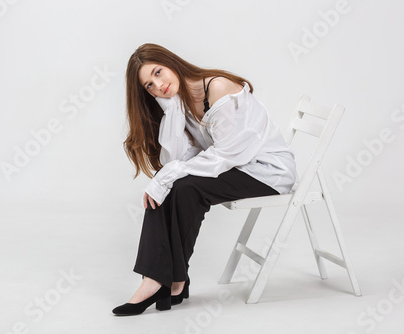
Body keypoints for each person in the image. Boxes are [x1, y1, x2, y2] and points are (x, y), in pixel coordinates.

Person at [113, 43, 297, 316]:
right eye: (149, 85)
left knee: (184, 186)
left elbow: (225, 155)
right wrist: (172, 109)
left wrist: (165, 178)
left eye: (159, 72)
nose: (159, 85)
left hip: (267, 171)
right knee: (172, 186)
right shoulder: (180, 99)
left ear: (170, 61)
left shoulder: (218, 88)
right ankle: (163, 280)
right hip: (239, 167)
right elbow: (181, 155)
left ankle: (166, 280)